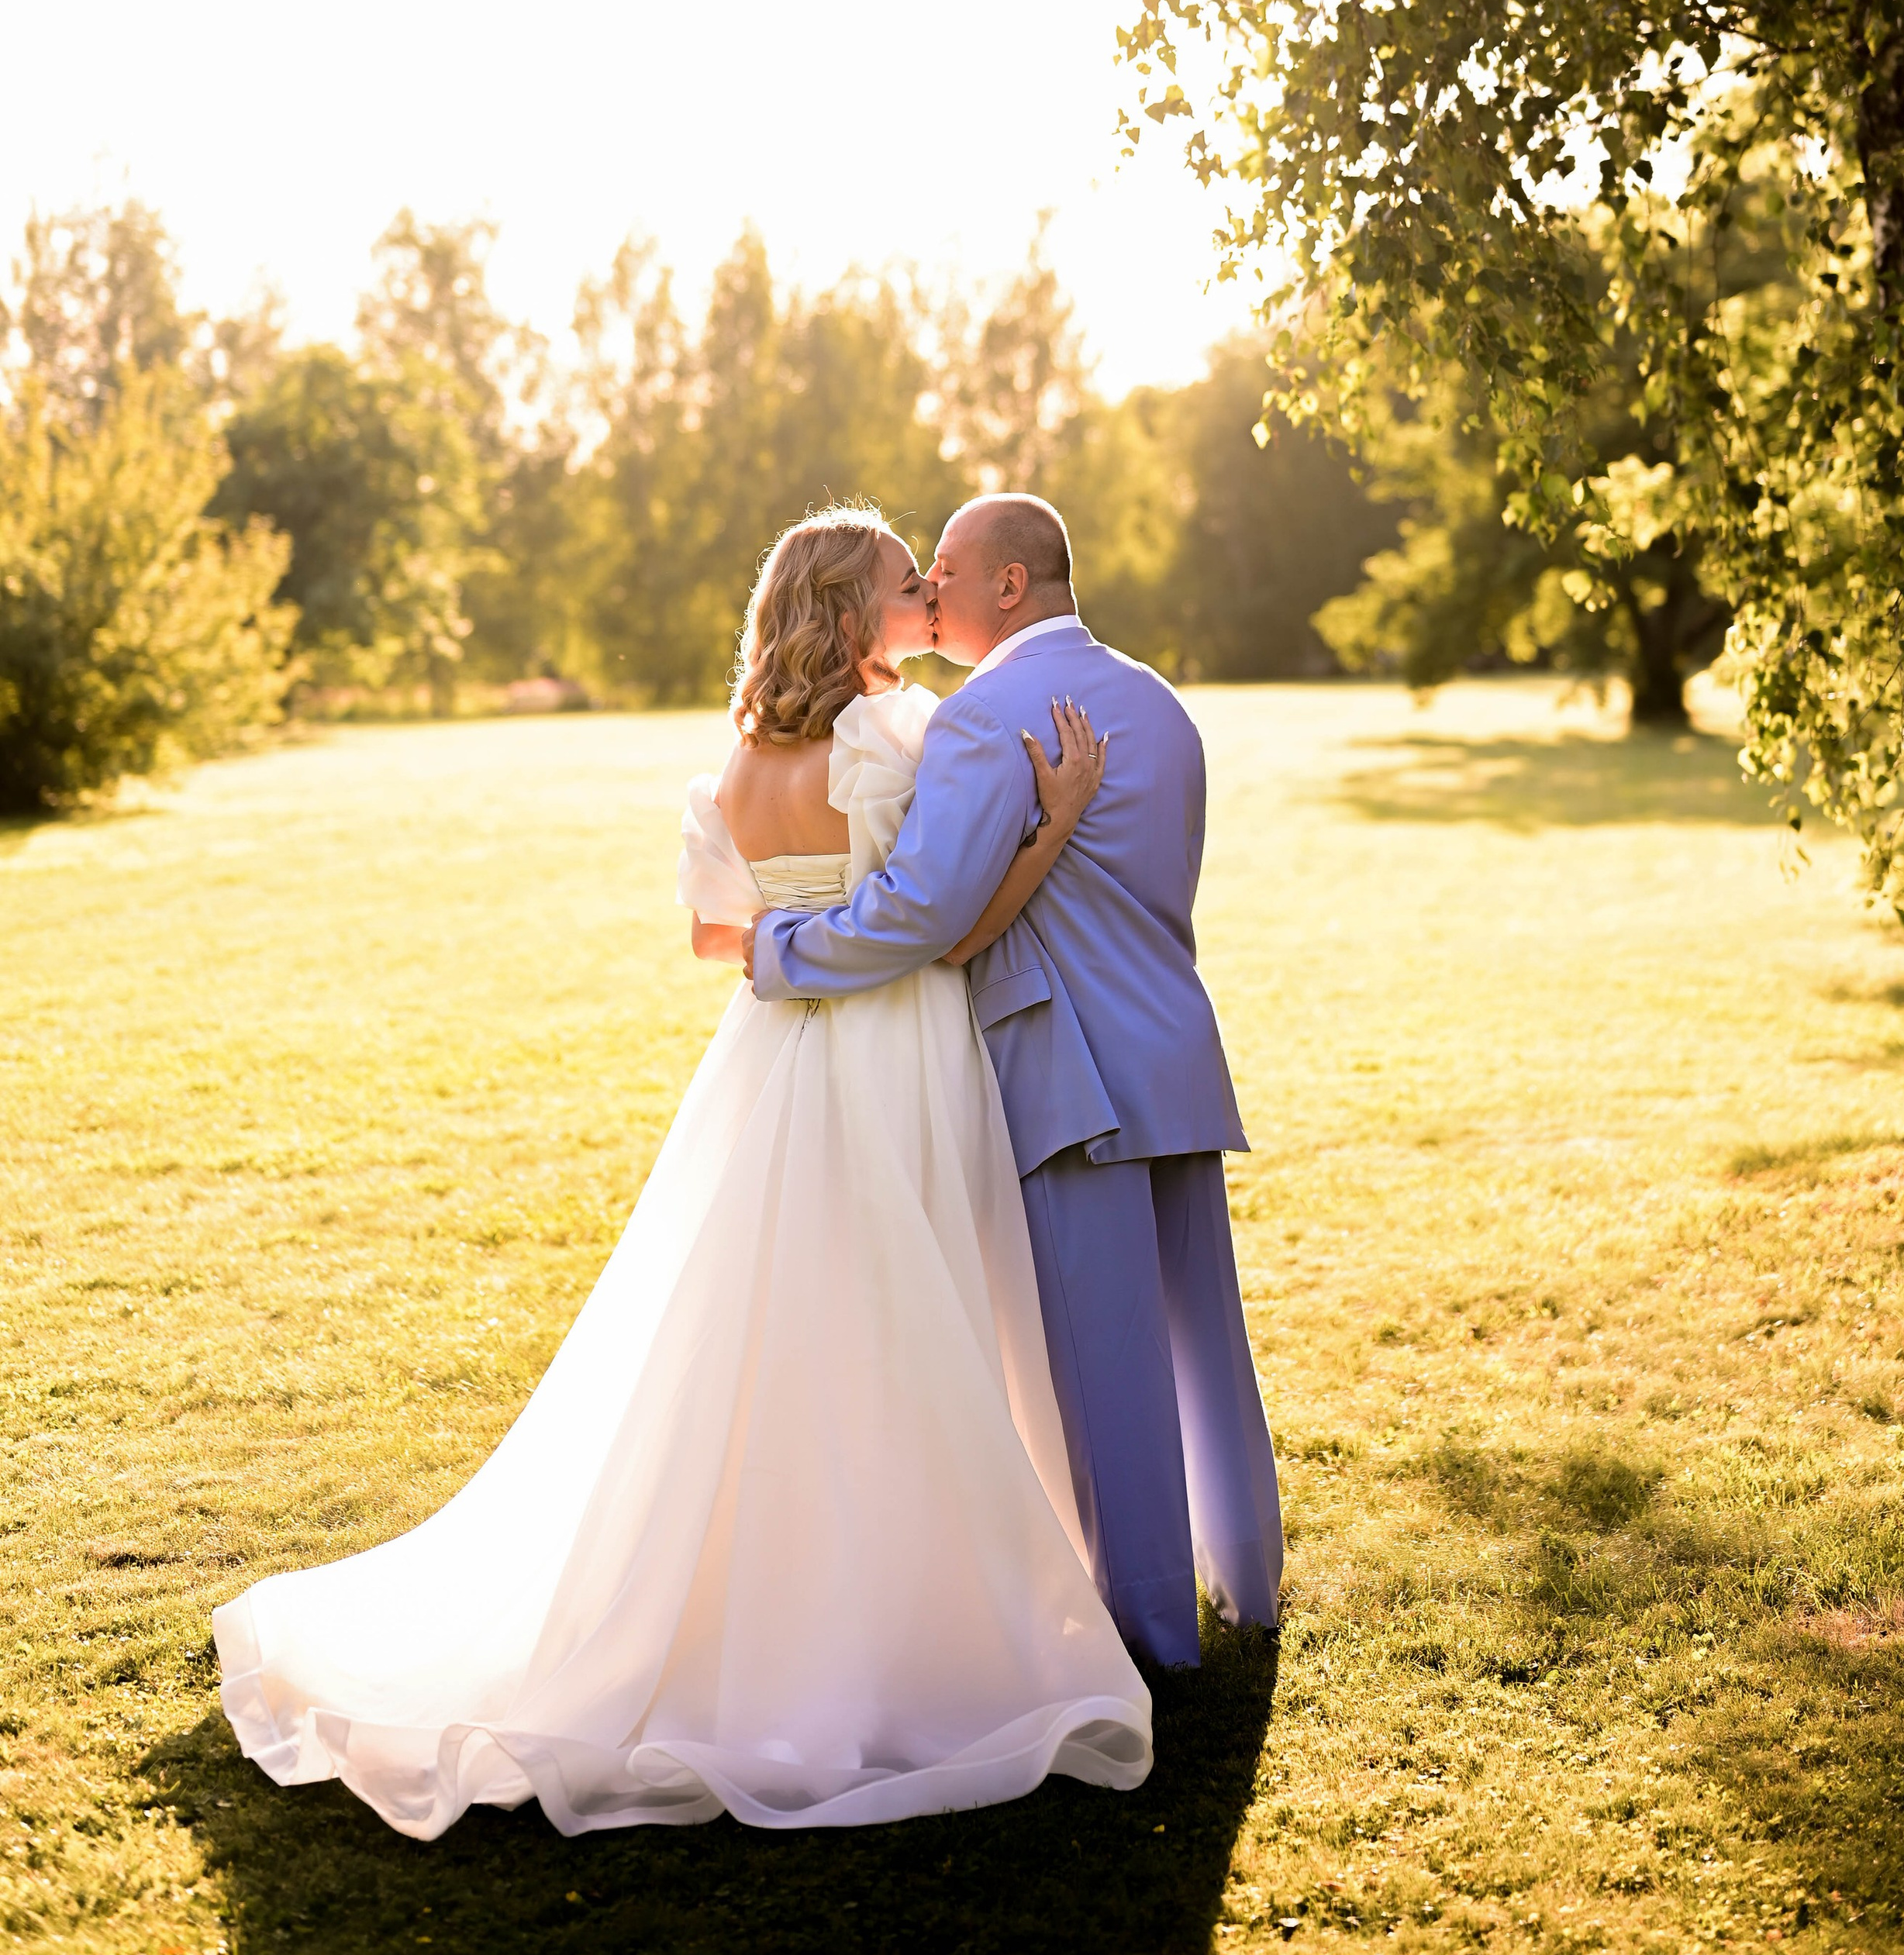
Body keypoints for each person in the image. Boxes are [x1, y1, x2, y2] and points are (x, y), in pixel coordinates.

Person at [214, 507, 1152, 1837]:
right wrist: (1050, 826)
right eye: (905, 585)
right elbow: (944, 925)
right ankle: (897, 1616)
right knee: (906, 1317)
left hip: (770, 1067)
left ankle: (786, 1596)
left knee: (766, 1329)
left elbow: (719, 938)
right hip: (894, 1058)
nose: (930, 596)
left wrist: (796, 933)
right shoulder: (902, 735)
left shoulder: (738, 763)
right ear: (850, 615)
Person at [747, 492, 1282, 1671]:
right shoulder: (1158, 702)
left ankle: (1151, 1636)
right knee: (1207, 1341)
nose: (928, 589)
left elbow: (925, 915)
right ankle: (1252, 1584)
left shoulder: (988, 717)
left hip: (1071, 1074)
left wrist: (782, 948)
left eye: (944, 567)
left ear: (1008, 586)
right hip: (1176, 1053)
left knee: (1108, 1369)